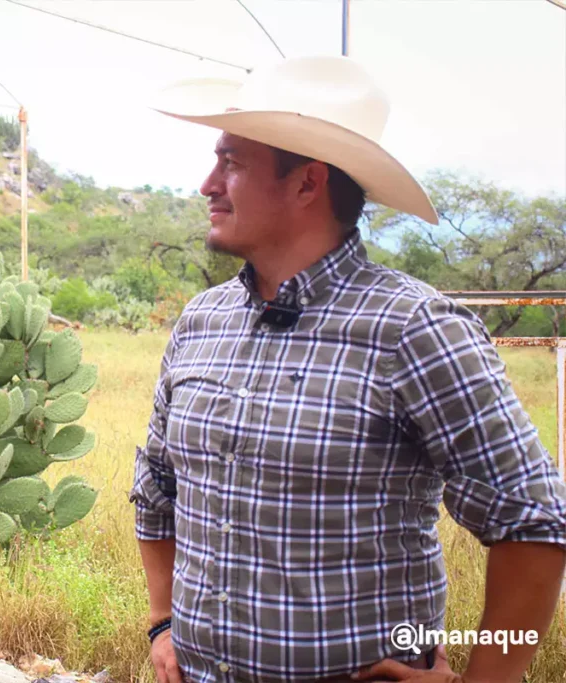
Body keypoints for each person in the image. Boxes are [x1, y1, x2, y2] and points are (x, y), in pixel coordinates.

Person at [129, 55, 566, 683]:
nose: (207, 184)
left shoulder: (414, 328)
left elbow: (532, 519)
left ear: (307, 183)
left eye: (231, 162)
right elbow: (158, 487)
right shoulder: (202, 320)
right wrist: (162, 620)